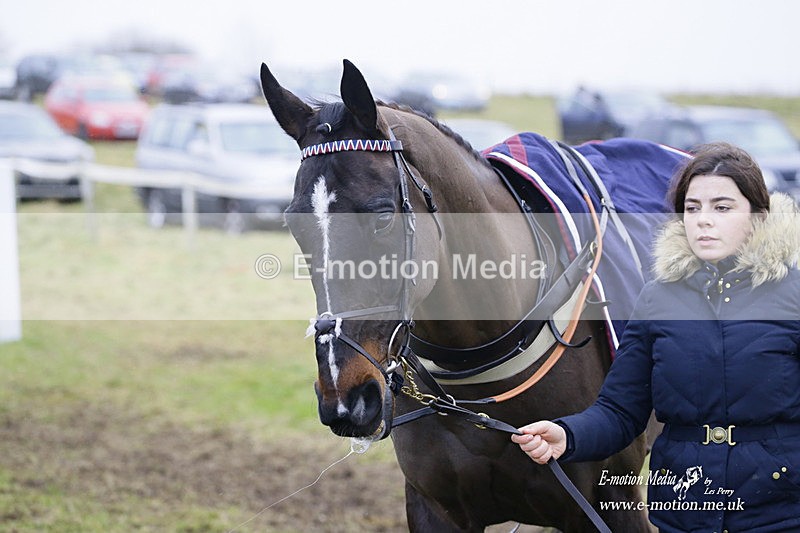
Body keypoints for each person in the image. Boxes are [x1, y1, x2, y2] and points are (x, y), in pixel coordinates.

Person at [512, 142, 800, 532]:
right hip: (684, 513)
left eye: (722, 207)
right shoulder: (658, 298)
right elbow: (620, 412)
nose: (704, 220)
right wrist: (568, 435)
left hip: (780, 513)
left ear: (757, 213)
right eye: (692, 208)